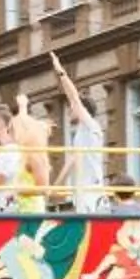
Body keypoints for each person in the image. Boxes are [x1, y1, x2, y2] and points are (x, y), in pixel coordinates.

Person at [50, 53, 108, 212]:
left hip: (92, 191)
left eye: (72, 108)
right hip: (82, 192)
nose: (70, 110)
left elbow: (74, 98)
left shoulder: (91, 125)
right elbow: (72, 160)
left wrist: (60, 71)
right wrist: (55, 186)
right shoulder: (81, 133)